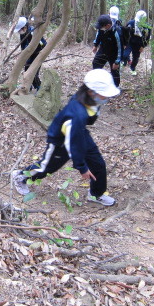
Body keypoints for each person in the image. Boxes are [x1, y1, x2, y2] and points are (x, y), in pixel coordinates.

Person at [12, 69, 120, 206]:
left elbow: (79, 132)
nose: (106, 98)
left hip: (79, 132)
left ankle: (96, 194)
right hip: (60, 141)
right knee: (46, 167)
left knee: (98, 164)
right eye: (104, 95)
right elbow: (72, 143)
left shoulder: (89, 99)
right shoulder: (76, 114)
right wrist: (82, 167)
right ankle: (20, 176)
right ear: (92, 92)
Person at [14, 16, 47, 91]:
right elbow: (23, 45)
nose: (19, 32)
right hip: (29, 55)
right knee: (26, 70)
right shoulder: (23, 33)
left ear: (24, 27)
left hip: (38, 54)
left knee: (33, 72)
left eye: (20, 30)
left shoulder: (33, 32)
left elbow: (43, 44)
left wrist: (38, 54)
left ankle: (39, 88)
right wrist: (23, 56)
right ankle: (28, 86)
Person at [92, 14, 122, 87]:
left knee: (115, 71)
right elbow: (98, 35)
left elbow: (120, 48)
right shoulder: (101, 29)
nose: (100, 28)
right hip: (103, 49)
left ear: (108, 25)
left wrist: (117, 62)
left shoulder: (116, 31)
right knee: (96, 63)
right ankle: (98, 82)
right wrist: (95, 45)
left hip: (114, 53)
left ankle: (115, 87)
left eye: (101, 27)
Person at [122, 10, 151, 75]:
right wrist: (124, 43)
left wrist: (143, 46)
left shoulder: (146, 27)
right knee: (124, 55)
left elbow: (147, 38)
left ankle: (133, 68)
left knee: (135, 58)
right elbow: (125, 33)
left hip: (139, 45)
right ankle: (127, 60)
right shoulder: (131, 23)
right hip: (130, 42)